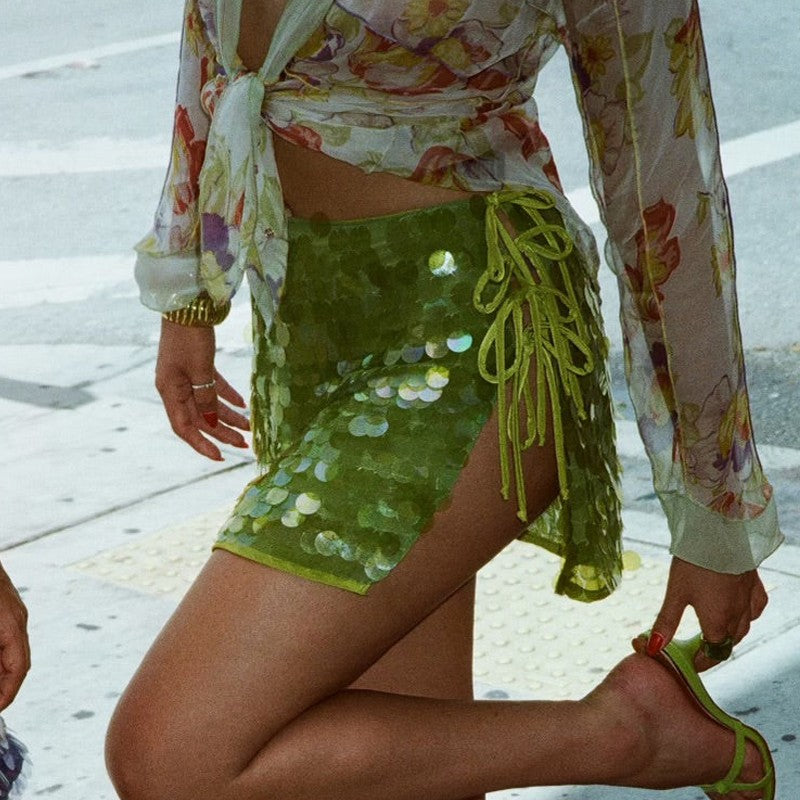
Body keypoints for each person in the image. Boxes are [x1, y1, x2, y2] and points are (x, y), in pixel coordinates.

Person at [106, 1, 783, 798]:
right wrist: (189, 287)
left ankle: (627, 732)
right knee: (413, 775)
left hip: (475, 327)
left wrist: (715, 508)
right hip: (305, 317)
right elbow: (213, 47)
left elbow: (661, 179)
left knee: (174, 757)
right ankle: (626, 733)